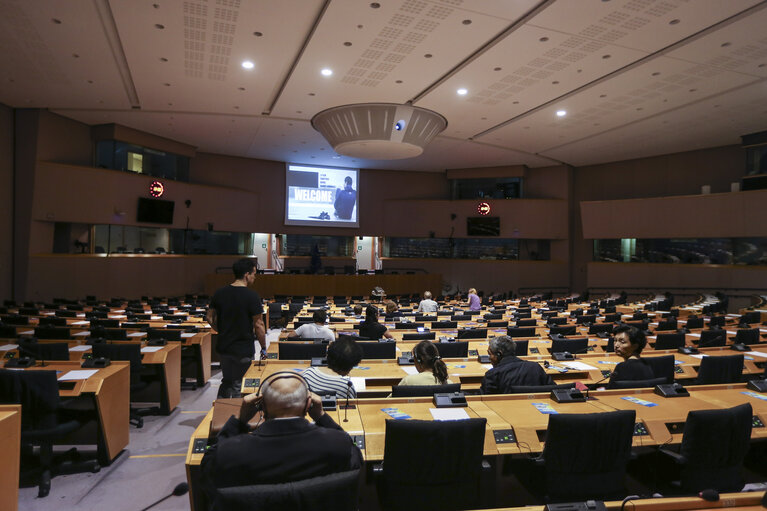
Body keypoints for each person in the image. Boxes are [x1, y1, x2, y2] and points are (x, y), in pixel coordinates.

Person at [200, 372, 362, 495]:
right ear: (308, 405)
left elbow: (208, 467)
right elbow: (356, 458)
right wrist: (321, 416)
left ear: (261, 406)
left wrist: (240, 419)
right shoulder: (336, 443)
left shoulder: (231, 452)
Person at [207, 258, 266, 398]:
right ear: (247, 274)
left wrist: (221, 330)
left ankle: (220, 415)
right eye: (254, 274)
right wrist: (263, 347)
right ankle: (237, 417)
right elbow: (259, 325)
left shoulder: (219, 293)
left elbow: (209, 317)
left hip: (224, 347)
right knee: (241, 384)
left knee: (227, 381)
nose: (255, 277)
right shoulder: (252, 296)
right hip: (242, 349)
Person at [479, 336, 552, 394]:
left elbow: (485, 399)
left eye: (490, 354)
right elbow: (554, 389)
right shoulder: (536, 367)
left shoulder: (493, 374)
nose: (489, 358)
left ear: (499, 354)